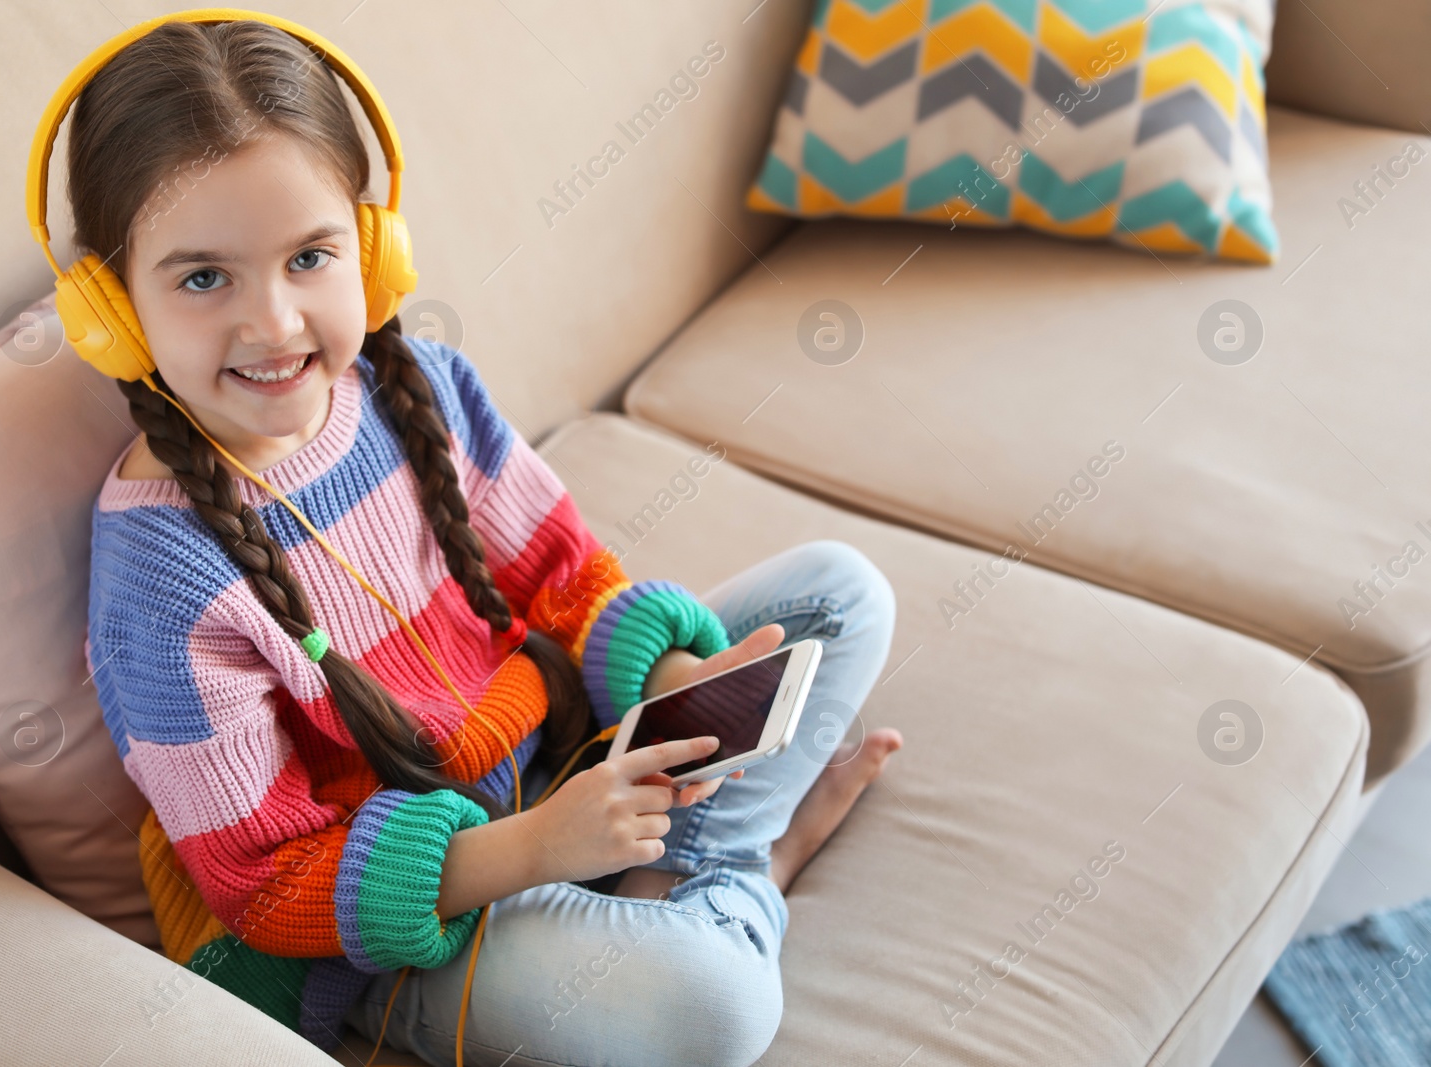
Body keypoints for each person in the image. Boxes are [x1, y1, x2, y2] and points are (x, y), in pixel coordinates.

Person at [77, 19, 902, 1067]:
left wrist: (681, 679)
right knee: (711, 1010)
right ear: (107, 305)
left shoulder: (418, 387)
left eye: (310, 256)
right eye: (204, 278)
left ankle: (681, 861)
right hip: (402, 930)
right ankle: (749, 864)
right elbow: (267, 884)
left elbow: (563, 577)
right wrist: (538, 848)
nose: (275, 323)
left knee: (843, 591)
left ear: (371, 249)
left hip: (555, 764)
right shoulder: (162, 587)